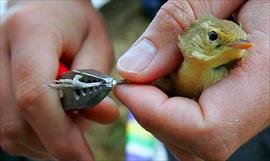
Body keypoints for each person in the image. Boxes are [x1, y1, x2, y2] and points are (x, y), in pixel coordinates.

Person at [0, 0, 269, 161]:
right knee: (182, 136)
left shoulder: (238, 60)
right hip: (162, 10)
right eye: (213, 37)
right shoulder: (173, 61)